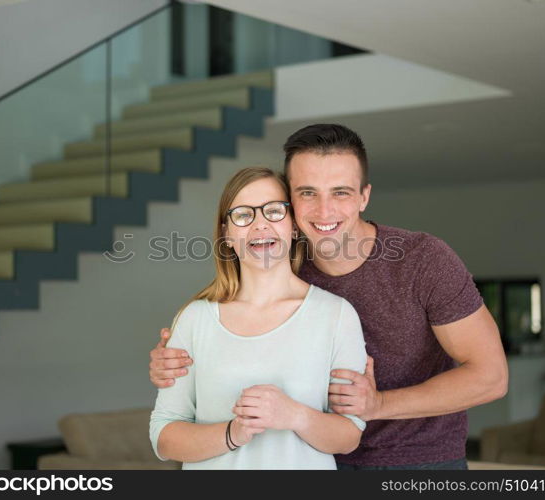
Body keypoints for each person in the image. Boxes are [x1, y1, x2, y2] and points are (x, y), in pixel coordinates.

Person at [150, 124, 509, 470]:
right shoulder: (277, 263)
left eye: (340, 192)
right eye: (307, 193)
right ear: (289, 203)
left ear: (364, 196)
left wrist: (379, 403)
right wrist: (178, 362)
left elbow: (491, 376)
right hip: (320, 462)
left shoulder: (422, 260)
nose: (324, 211)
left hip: (418, 462)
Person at [149, 166, 368, 469]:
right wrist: (232, 433)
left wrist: (294, 415)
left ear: (293, 226)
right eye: (243, 215)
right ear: (226, 233)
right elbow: (164, 436)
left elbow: (349, 436)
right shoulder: (194, 318)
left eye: (274, 211)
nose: (260, 225)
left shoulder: (336, 314)